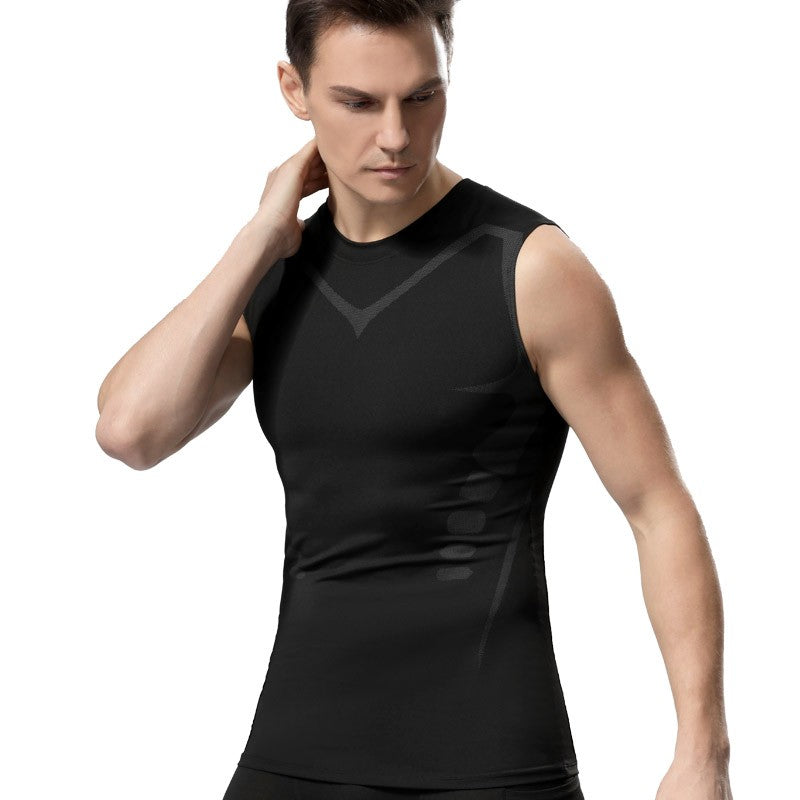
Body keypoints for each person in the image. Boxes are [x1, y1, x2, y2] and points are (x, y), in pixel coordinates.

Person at [95, 2, 733, 799]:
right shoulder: (275, 272)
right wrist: (259, 234)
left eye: (422, 97)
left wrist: (702, 752)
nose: (396, 136)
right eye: (358, 103)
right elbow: (130, 430)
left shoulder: (531, 268)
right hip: (297, 750)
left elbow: (657, 507)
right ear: (295, 90)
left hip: (491, 764)